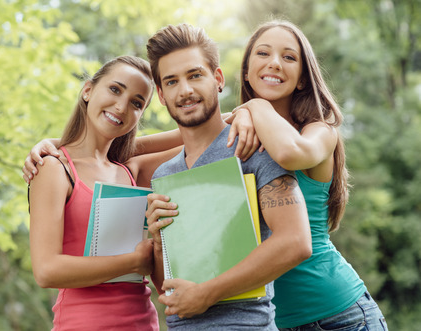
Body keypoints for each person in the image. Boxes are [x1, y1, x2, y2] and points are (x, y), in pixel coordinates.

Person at [144, 23, 312, 330]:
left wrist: (206, 294)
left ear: (217, 79)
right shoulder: (165, 174)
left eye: (195, 75)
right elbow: (167, 286)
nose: (185, 91)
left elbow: (296, 241)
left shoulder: (253, 148)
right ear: (161, 94)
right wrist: (157, 242)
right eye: (171, 82)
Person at [225, 20, 388, 330]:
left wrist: (255, 106)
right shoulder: (240, 128)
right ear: (246, 70)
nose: (274, 62)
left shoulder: (320, 131)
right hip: (279, 323)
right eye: (263, 53)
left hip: (341, 315)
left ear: (301, 79)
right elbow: (165, 145)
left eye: (289, 57)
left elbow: (289, 152)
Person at [28, 55, 181, 330]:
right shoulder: (54, 167)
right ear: (87, 90)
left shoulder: (130, 170)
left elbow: (200, 138)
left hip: (144, 323)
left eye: (137, 103)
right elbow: (46, 270)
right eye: (115, 89)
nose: (122, 107)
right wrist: (135, 261)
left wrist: (248, 111)